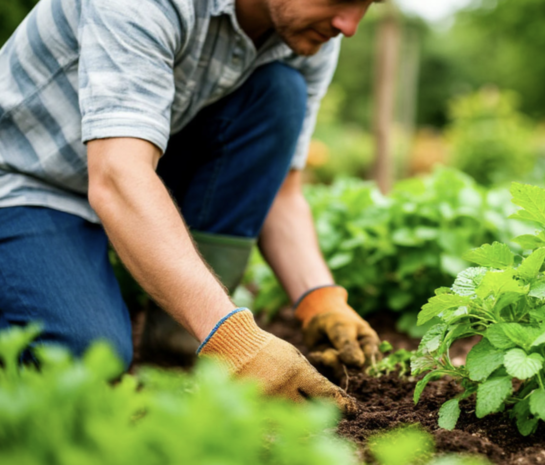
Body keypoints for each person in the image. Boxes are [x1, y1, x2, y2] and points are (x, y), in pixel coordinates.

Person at [0, 0, 384, 413]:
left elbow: (282, 194)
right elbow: (117, 178)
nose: (350, 25)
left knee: (279, 91)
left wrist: (320, 301)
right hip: (26, 183)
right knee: (82, 362)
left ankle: (177, 352)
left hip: (136, 175)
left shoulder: (307, 32)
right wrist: (237, 341)